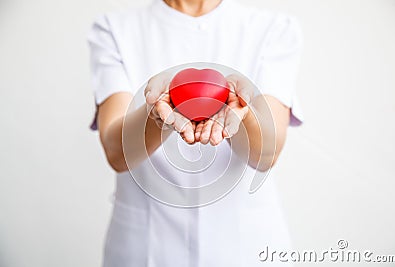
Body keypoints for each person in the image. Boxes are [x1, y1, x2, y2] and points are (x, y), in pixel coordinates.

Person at [87, 0, 304, 266]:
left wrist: (240, 110)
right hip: (145, 248)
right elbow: (116, 152)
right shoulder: (113, 29)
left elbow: (267, 154)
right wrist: (157, 114)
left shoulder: (274, 29)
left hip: (247, 249)